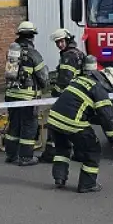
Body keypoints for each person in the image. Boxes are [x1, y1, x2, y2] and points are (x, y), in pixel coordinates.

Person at [47, 58, 113, 193]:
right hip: (72, 122)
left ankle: (59, 178)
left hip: (54, 118)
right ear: (111, 82)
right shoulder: (99, 90)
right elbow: (108, 118)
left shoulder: (80, 79)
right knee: (93, 150)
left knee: (62, 148)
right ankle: (87, 184)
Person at [4, 21, 49, 167]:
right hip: (27, 98)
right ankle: (25, 157)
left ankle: (11, 155)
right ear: (32, 37)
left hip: (11, 95)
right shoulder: (33, 54)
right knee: (29, 126)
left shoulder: (12, 52)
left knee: (14, 126)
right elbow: (43, 78)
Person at [39, 29, 85, 163]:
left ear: (68, 40)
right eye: (57, 42)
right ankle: (79, 153)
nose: (59, 45)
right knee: (76, 125)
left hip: (67, 97)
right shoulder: (78, 53)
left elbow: (65, 80)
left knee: (54, 123)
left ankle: (51, 153)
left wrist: (55, 93)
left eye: (61, 41)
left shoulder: (68, 56)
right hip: (78, 96)